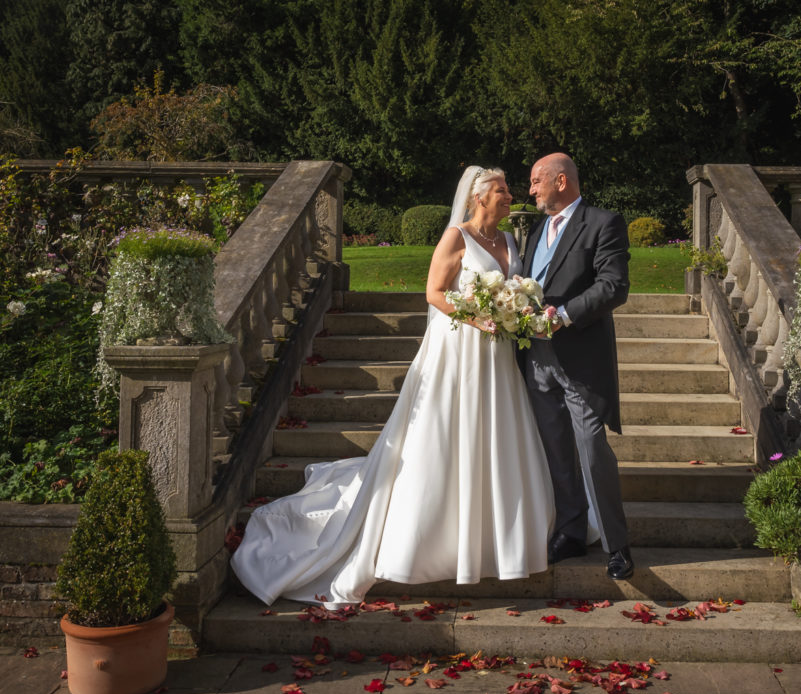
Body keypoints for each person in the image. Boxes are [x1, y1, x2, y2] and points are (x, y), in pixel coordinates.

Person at [230, 166, 554, 608]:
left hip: (497, 355)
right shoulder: (457, 237)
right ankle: (429, 539)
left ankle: (497, 538)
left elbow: (514, 287)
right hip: (458, 351)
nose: (509, 195)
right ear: (480, 197)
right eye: (501, 190)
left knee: (497, 436)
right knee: (445, 438)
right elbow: (434, 293)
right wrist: (479, 316)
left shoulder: (510, 240)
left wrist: (511, 311)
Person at [520, 152, 634, 580]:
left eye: (536, 181)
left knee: (590, 447)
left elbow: (614, 286)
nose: (531, 190)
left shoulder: (603, 222)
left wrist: (563, 315)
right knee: (555, 450)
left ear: (561, 181)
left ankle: (616, 545)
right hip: (534, 358)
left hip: (580, 356)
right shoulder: (534, 230)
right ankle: (569, 531)